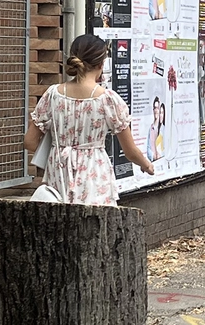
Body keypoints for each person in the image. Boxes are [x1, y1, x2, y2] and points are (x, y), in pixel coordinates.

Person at [23, 34, 155, 206]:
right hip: (94, 174)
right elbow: (129, 151)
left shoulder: (52, 94)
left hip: (59, 171)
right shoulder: (108, 99)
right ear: (101, 64)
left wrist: (60, 149)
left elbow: (29, 142)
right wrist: (146, 165)